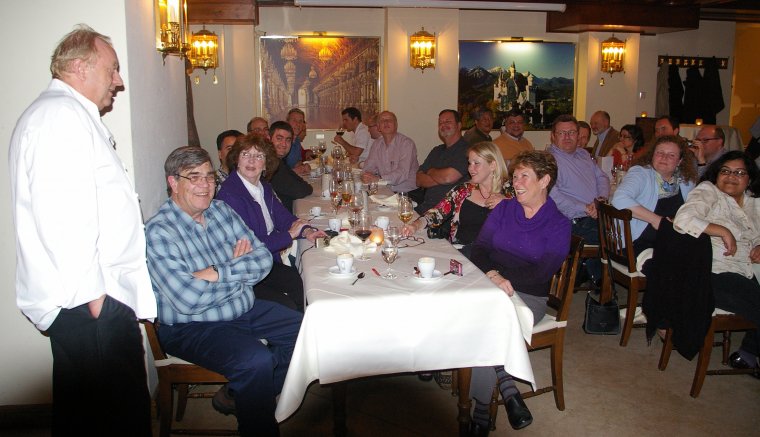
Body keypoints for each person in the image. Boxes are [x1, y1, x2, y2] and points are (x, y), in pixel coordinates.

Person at [8, 25, 156, 435]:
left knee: (87, 418)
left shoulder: (66, 114)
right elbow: (62, 218)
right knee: (116, 420)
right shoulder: (60, 117)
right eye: (112, 69)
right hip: (90, 304)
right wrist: (95, 300)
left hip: (91, 301)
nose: (118, 81)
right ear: (79, 67)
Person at [146, 146, 302, 437]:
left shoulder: (221, 211)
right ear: (173, 182)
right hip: (191, 327)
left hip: (241, 308)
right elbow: (189, 300)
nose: (205, 185)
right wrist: (237, 269)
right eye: (194, 177)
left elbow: (262, 259)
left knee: (306, 333)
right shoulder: (159, 232)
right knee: (256, 360)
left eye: (209, 176)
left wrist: (216, 272)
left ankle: (240, 394)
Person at [468, 150, 571, 435]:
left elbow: (541, 274)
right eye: (514, 177)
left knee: (488, 325)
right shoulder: (504, 209)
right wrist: (493, 275)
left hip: (529, 297)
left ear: (544, 180)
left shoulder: (559, 224)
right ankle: (508, 387)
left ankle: (480, 412)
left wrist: (503, 279)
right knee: (472, 313)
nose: (516, 183)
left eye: (525, 176)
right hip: (490, 284)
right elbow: (479, 248)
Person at [673, 151, 760, 377]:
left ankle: (747, 353)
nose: (731, 176)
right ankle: (749, 353)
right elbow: (682, 220)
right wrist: (721, 230)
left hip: (746, 272)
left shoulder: (754, 202)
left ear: (749, 178)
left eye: (739, 172)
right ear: (716, 174)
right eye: (725, 171)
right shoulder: (708, 191)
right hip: (713, 274)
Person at [217, 134, 327, 312]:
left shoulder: (263, 187)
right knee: (287, 305)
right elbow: (250, 245)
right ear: (236, 159)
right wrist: (289, 235)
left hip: (266, 262)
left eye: (258, 156)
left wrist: (306, 231)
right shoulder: (230, 194)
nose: (251, 160)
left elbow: (283, 218)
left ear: (266, 164)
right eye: (245, 154)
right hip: (245, 271)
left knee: (303, 282)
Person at [402, 142, 511, 258]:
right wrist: (415, 225)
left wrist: (509, 203)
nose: (470, 168)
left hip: (493, 256)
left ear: (493, 165)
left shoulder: (511, 192)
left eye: (476, 163)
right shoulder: (463, 190)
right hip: (461, 252)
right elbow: (437, 213)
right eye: (469, 163)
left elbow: (523, 222)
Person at [612, 135, 697, 256]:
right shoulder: (640, 173)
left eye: (671, 155)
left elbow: (694, 209)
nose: (664, 157)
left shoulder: (685, 180)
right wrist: (657, 221)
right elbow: (619, 198)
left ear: (679, 161)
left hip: (673, 240)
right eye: (660, 153)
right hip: (639, 244)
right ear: (652, 155)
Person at [549, 114, 610, 283]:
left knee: (620, 229)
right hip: (571, 220)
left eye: (572, 132)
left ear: (578, 135)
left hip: (593, 213)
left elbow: (602, 178)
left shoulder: (584, 154)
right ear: (553, 136)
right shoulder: (548, 160)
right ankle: (597, 278)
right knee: (611, 235)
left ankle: (586, 271)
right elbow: (552, 195)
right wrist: (585, 208)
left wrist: (600, 200)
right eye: (562, 133)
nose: (567, 137)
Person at [412, 109, 470, 214]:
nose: (443, 125)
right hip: (426, 208)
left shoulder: (467, 150)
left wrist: (430, 171)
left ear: (459, 125)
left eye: (448, 121)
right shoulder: (436, 150)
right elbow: (418, 180)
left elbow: (448, 177)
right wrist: (441, 178)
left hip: (448, 214)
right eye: (440, 123)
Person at [361, 111, 419, 193]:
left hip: (407, 192)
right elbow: (369, 166)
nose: (386, 122)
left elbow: (402, 173)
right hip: (384, 190)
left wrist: (379, 179)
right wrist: (367, 175)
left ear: (396, 125)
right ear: (378, 127)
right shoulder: (376, 144)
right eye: (382, 120)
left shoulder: (406, 143)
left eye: (390, 120)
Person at [268, 121, 313, 212]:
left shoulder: (279, 161)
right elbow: (301, 190)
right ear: (269, 139)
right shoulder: (271, 165)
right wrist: (305, 186)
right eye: (279, 138)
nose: (284, 144)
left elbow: (295, 178)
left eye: (288, 140)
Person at [284, 108, 311, 175]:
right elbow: (277, 174)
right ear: (287, 122)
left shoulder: (297, 140)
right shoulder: (282, 143)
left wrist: (303, 166)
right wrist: (296, 170)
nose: (298, 124)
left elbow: (297, 162)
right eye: (294, 120)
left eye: (300, 121)